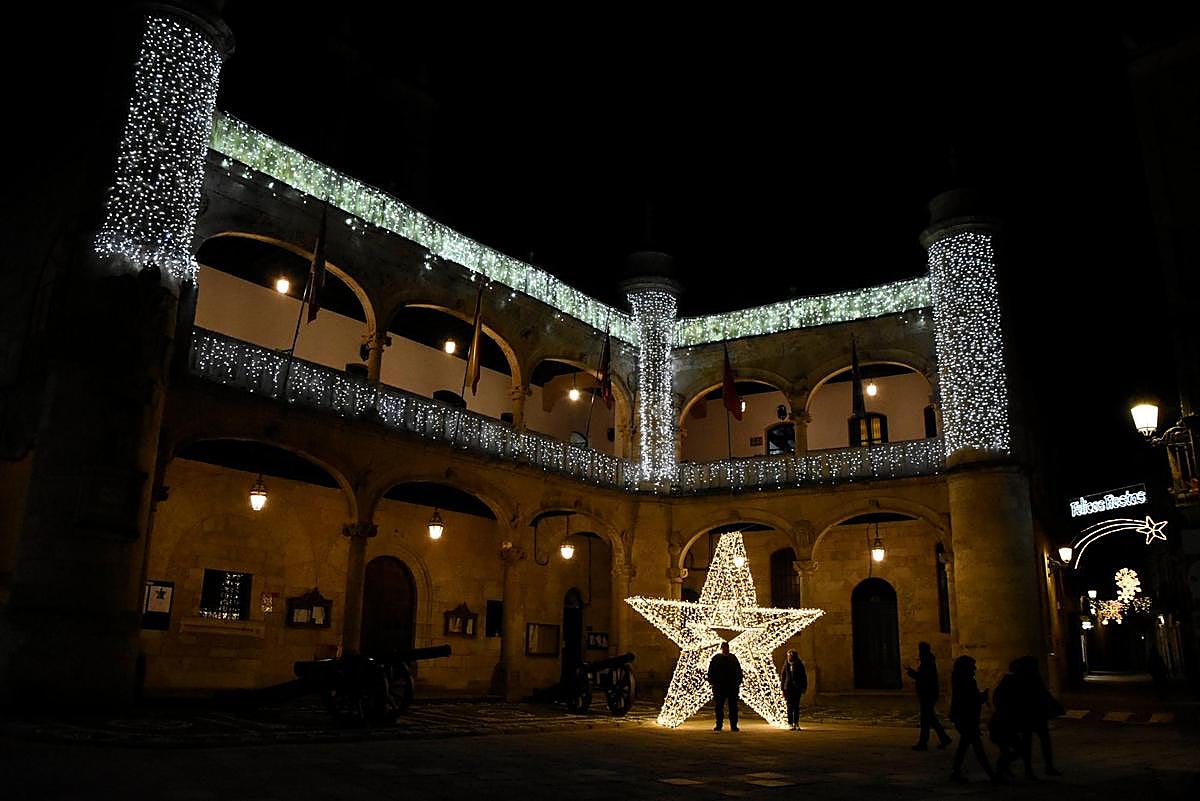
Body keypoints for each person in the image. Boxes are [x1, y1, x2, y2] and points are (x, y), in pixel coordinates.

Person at [948, 655, 998, 783]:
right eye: (972, 665)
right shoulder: (967, 681)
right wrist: (983, 696)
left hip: (962, 717)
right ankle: (992, 775)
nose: (975, 668)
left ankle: (956, 771)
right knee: (976, 747)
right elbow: (970, 699)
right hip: (967, 718)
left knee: (964, 745)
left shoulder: (959, 679)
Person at [1010, 655, 1063, 777]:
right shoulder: (1034, 679)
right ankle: (1046, 767)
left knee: (1028, 740)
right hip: (1036, 713)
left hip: (1028, 713)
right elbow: (1043, 693)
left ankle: (1029, 768)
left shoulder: (1018, 680)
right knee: (1042, 739)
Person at [906, 641, 951, 750]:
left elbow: (923, 678)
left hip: (927, 694)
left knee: (926, 719)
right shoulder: (928, 661)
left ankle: (923, 743)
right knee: (930, 718)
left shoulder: (927, 662)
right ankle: (943, 738)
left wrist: (912, 673)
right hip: (928, 693)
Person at [708, 641, 744, 731]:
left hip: (731, 686)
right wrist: (712, 681)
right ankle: (719, 724)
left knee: (732, 707)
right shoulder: (717, 658)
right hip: (720, 686)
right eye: (724, 647)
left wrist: (738, 681)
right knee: (720, 706)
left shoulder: (732, 658)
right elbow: (711, 670)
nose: (725, 649)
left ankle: (733, 725)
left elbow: (738, 670)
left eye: (726, 647)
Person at [780, 649, 808, 730]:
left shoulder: (799, 664)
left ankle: (796, 723)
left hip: (797, 688)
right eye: (788, 655)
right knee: (789, 706)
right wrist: (782, 688)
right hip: (788, 688)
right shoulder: (786, 665)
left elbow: (803, 676)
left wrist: (803, 687)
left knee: (796, 706)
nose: (789, 657)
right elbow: (783, 676)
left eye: (791, 655)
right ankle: (790, 723)